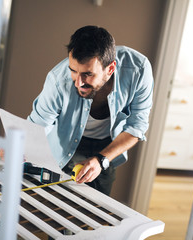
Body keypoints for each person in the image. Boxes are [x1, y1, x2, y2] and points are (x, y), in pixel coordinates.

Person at [27, 25, 154, 195]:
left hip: (108, 145)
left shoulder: (139, 70)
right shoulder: (57, 80)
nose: (78, 82)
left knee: (97, 211)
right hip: (64, 144)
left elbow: (137, 127)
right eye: (73, 71)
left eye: (88, 74)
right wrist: (20, 143)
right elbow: (39, 123)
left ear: (110, 69)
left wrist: (101, 160)